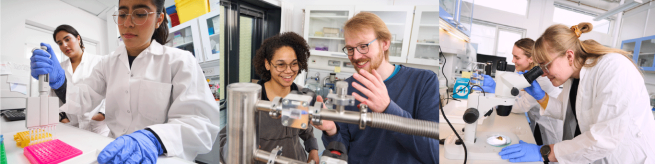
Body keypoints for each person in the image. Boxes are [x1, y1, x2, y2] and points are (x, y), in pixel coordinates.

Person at [29, 0, 220, 163]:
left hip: (162, 157)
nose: (127, 23)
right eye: (122, 14)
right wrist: (59, 81)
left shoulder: (180, 61)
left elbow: (200, 124)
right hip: (114, 152)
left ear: (158, 19)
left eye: (140, 13)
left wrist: (153, 139)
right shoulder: (107, 63)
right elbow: (85, 99)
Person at [498, 23, 655, 163]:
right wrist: (541, 97)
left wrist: (546, 152)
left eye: (545, 66)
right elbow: (564, 110)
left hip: (625, 158)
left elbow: (603, 139)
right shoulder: (574, 77)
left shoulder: (613, 68)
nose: (543, 74)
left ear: (569, 56)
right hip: (591, 154)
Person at [311, 12, 439, 164]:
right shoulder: (348, 87)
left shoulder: (423, 81)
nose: (356, 56)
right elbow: (342, 149)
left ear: (385, 43)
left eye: (363, 46)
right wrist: (331, 130)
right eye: (350, 49)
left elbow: (433, 153)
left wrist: (387, 108)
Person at [217, 32, 320, 163]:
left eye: (293, 64)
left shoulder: (299, 94)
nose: (289, 71)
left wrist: (313, 149)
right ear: (267, 64)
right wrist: (238, 150)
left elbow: (305, 130)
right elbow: (224, 137)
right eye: (281, 64)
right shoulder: (251, 99)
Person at [474, 38, 564, 148]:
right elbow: (514, 91)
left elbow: (521, 106)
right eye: (513, 56)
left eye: (517, 57)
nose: (513, 61)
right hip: (536, 122)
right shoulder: (521, 70)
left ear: (531, 59)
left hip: (549, 126)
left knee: (548, 156)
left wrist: (496, 92)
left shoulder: (542, 80)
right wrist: (496, 86)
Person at [51, 24, 110, 137]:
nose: (64, 45)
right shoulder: (59, 68)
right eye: (60, 43)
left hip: (97, 126)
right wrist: (62, 117)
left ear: (78, 38)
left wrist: (102, 113)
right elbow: (54, 95)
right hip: (71, 126)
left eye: (67, 39)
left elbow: (111, 89)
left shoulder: (100, 61)